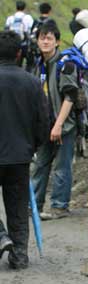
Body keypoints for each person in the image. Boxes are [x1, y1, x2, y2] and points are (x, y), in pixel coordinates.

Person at [0, 31, 48, 269]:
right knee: (18, 207)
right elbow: (43, 121)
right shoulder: (32, 82)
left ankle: (1, 236)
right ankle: (19, 257)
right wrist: (33, 146)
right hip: (20, 156)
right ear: (19, 53)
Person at [31, 21, 79, 220]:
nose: (45, 41)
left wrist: (59, 124)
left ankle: (59, 207)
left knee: (61, 167)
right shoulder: (39, 64)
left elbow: (70, 96)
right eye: (42, 37)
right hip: (44, 127)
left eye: (49, 38)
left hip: (64, 126)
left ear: (57, 42)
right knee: (40, 165)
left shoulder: (65, 65)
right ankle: (34, 205)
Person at [4, 0, 34, 68]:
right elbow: (31, 30)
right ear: (24, 8)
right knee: (29, 63)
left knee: (14, 64)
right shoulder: (28, 17)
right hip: (24, 44)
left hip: (13, 44)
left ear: (16, 7)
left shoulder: (10, 18)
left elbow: (6, 31)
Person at [26, 2, 53, 72]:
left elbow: (31, 32)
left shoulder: (36, 21)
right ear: (49, 11)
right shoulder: (51, 22)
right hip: (46, 48)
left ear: (40, 10)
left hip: (34, 47)